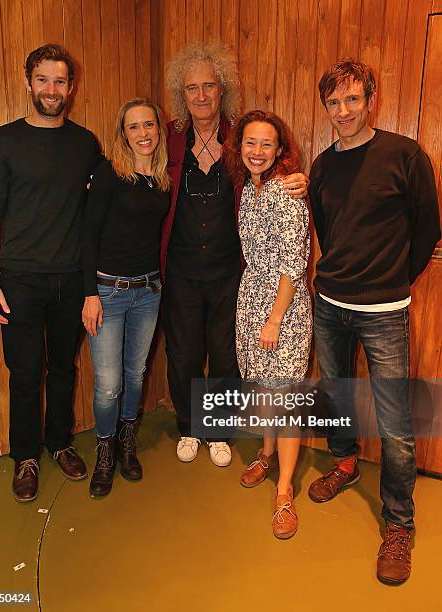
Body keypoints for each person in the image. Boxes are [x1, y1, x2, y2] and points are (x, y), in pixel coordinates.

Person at [308, 58, 440, 584]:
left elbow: (428, 232)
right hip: (329, 303)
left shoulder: (405, 156)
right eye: (334, 103)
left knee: (396, 427)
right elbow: (328, 232)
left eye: (352, 100)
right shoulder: (320, 166)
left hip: (384, 311)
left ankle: (399, 523)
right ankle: (342, 463)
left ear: (370, 99)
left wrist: (392, 282)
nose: (343, 111)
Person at [162, 43, 309, 466]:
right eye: (192, 88)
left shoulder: (239, 138)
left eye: (209, 85)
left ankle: (218, 428)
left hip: (231, 272)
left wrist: (300, 180)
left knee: (225, 354)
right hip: (182, 269)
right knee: (185, 352)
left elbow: (272, 170)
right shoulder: (172, 137)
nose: (201, 95)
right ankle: (191, 427)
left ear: (222, 88)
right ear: (182, 94)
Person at [0, 44, 103, 502]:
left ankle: (60, 443)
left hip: (71, 279)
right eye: (44, 80)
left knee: (64, 370)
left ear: (71, 86)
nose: (52, 90)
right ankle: (25, 457)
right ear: (29, 82)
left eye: (61, 81)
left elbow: (110, 195)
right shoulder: (4, 141)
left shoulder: (86, 144)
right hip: (19, 280)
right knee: (25, 372)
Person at [225, 110, 312, 538]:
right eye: (250, 143)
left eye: (267, 144)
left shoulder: (285, 193)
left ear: (280, 150)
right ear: (238, 147)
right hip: (251, 299)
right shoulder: (248, 190)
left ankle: (284, 492)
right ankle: (266, 452)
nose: (257, 152)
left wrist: (275, 320)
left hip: (284, 308)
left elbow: (293, 265)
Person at [82, 99, 170, 497]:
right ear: (123, 133)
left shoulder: (162, 178)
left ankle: (127, 442)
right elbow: (88, 236)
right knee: (108, 384)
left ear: (158, 129)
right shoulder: (108, 175)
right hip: (108, 293)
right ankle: (105, 450)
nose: (143, 133)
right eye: (133, 127)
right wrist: (89, 294)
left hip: (149, 292)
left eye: (148, 124)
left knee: (135, 376)